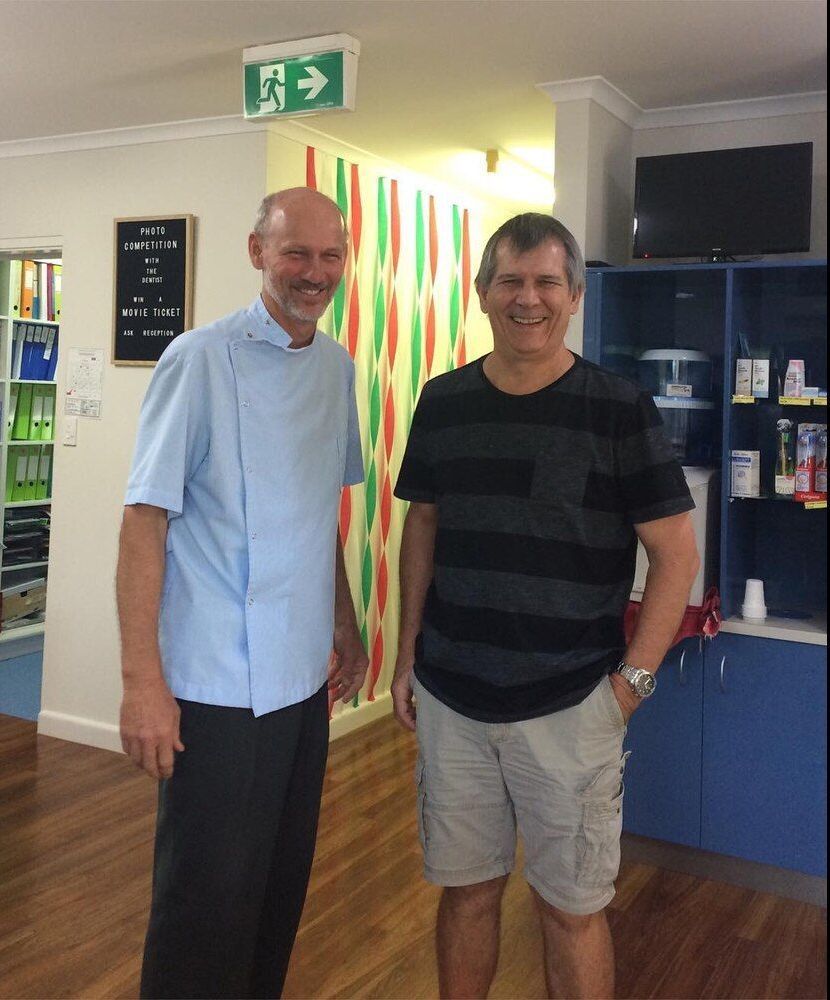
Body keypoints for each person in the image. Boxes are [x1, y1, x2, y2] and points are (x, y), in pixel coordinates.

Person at [392, 213, 700, 999]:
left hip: (571, 706)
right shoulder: (443, 401)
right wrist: (406, 657)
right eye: (511, 282)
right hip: (453, 700)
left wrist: (631, 686)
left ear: (573, 296)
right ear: (482, 293)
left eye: (546, 283)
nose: (528, 298)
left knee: (572, 909)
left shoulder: (619, 408)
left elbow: (676, 558)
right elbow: (421, 527)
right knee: (466, 894)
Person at [117, 187, 368, 999]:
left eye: (330, 255)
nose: (314, 272)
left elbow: (315, 510)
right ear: (257, 251)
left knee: (276, 891)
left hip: (300, 684)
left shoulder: (336, 367)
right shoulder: (198, 358)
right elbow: (143, 523)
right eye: (296, 252)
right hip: (216, 685)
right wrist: (141, 684)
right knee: (204, 901)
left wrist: (349, 621)